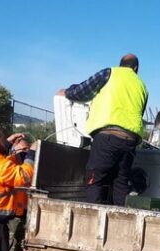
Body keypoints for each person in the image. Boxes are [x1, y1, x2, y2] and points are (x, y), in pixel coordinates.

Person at [58, 53, 148, 206]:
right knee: (120, 184)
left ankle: (95, 222)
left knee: (94, 179)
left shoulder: (109, 73)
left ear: (121, 64)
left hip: (107, 137)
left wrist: (66, 92)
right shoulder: (142, 86)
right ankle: (118, 224)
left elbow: (82, 91)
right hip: (130, 142)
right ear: (136, 68)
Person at [3, 136, 48, 251]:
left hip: (35, 213)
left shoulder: (37, 162)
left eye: (27, 150)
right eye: (22, 150)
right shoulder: (9, 162)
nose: (25, 153)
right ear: (14, 149)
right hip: (16, 215)